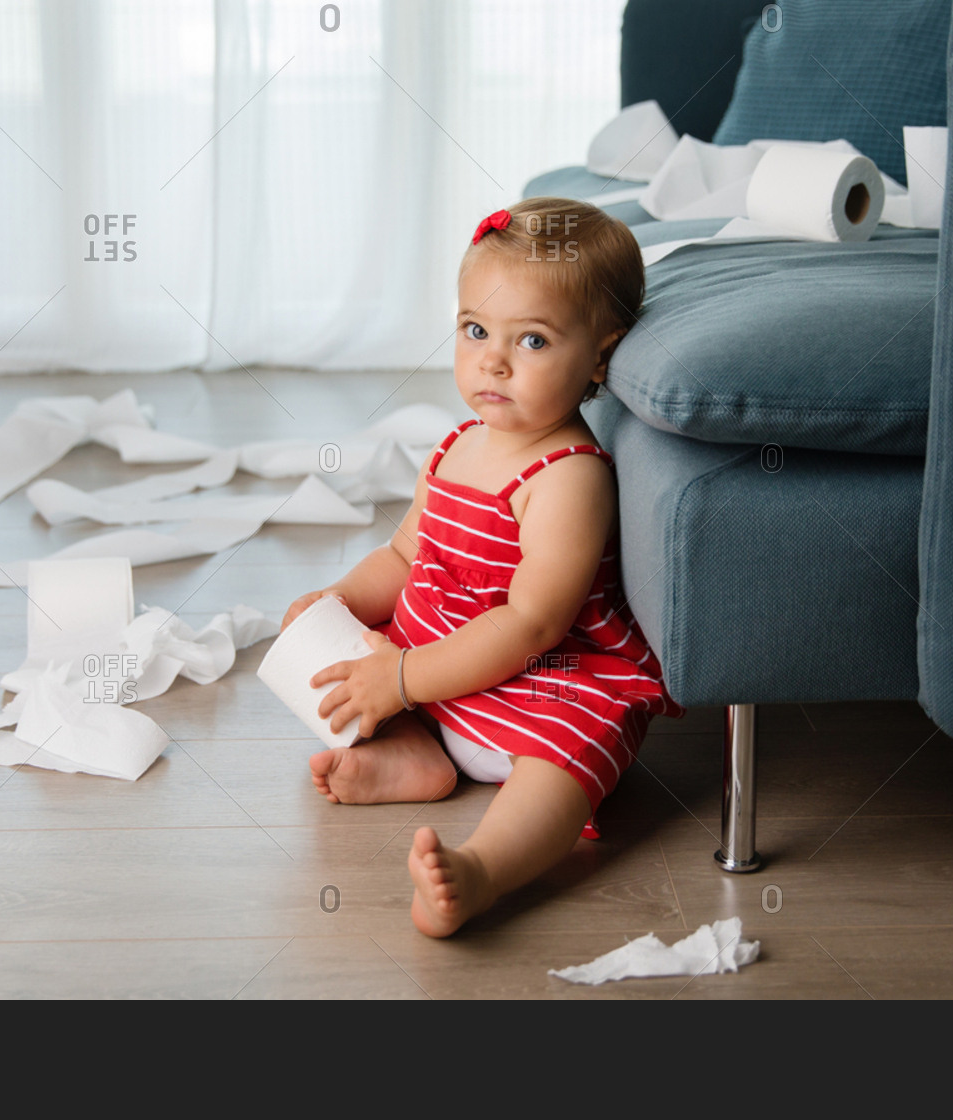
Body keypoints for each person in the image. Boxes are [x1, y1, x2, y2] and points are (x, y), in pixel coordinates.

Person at [282, 198, 682, 937]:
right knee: (359, 657)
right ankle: (419, 758)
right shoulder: (458, 443)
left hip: (542, 683)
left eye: (531, 339)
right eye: (475, 330)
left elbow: (532, 622)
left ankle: (485, 869)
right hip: (440, 671)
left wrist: (403, 676)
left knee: (567, 760)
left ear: (599, 355)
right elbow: (405, 554)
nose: (492, 361)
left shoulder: (569, 474)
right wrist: (338, 602)